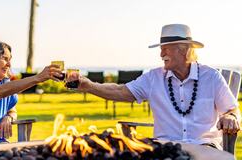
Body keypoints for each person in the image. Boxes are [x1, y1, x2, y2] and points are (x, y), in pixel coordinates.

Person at [69, 24, 241, 149]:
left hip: (204, 147)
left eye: (166, 49)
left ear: (184, 50)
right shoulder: (153, 78)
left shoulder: (211, 77)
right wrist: (89, 86)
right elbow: (120, 91)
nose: (161, 54)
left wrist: (231, 117)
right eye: (161, 49)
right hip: (164, 148)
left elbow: (232, 110)